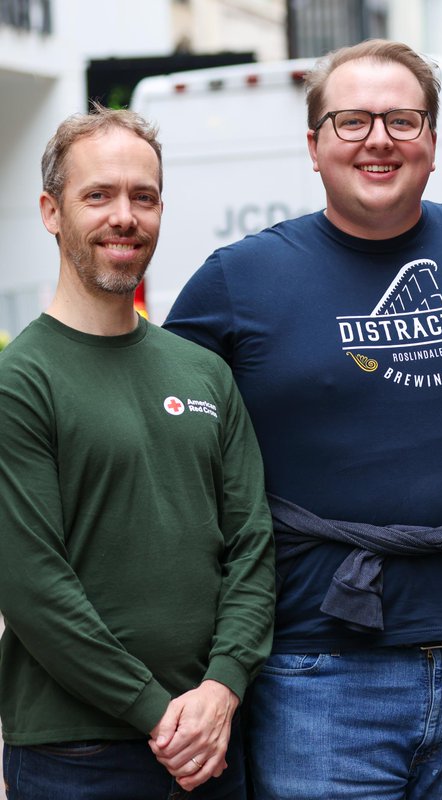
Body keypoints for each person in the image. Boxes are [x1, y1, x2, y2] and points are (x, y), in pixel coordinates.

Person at [164, 39, 442, 800]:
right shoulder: (238, 281)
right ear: (314, 146)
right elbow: (165, 448)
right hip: (321, 675)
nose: (378, 139)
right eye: (351, 121)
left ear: (433, 143)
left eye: (401, 120)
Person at [0, 107, 274, 798]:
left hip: (214, 737)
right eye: (99, 195)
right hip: (77, 755)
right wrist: (161, 714)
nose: (125, 216)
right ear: (50, 211)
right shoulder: (20, 381)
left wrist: (222, 686)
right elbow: (33, 588)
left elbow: (251, 544)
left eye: (143, 197)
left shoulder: (202, 371)